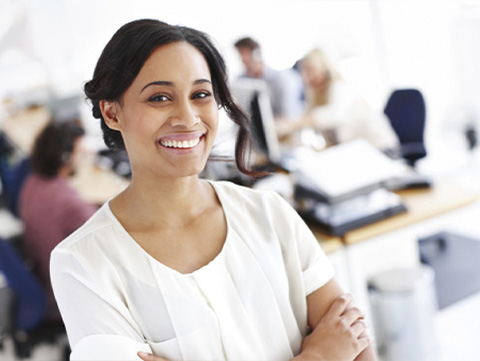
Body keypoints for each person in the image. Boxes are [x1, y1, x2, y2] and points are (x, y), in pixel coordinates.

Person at [50, 19, 376, 361]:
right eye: (159, 97)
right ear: (112, 112)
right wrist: (319, 356)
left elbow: (356, 345)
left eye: (201, 95)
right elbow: (337, 350)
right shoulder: (82, 263)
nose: (188, 117)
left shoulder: (270, 213)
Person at [19, 119, 97, 322]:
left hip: (43, 276)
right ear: (65, 157)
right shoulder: (68, 201)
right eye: (81, 151)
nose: (85, 155)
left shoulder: (31, 183)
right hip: (66, 297)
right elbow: (106, 233)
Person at [276, 48, 398, 151]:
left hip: (379, 148)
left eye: (312, 70)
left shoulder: (341, 87)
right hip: (357, 152)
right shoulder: (314, 96)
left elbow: (334, 116)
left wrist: (295, 123)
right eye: (306, 72)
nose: (309, 76)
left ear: (324, 68)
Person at [234, 37, 304, 120]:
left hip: (280, 127)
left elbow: (288, 116)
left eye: (245, 54)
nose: (243, 59)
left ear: (256, 54)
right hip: (254, 128)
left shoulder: (280, 78)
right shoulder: (241, 81)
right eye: (241, 55)